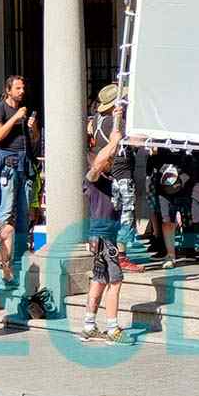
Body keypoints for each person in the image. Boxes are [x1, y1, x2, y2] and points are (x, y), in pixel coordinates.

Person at [79, 110, 131, 344]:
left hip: (104, 235)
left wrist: (117, 121)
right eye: (108, 160)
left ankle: (89, 324)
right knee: (115, 280)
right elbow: (100, 161)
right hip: (103, 237)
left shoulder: (109, 181)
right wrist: (113, 141)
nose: (111, 162)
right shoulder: (93, 179)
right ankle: (112, 328)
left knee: (99, 279)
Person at [0, 75, 39, 283]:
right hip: (9, 163)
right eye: (18, 88)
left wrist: (33, 127)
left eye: (23, 87)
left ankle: (18, 256)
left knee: (24, 211)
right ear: (8, 90)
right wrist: (15, 117)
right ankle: (2, 257)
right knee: (7, 211)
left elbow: (34, 139)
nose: (22, 91)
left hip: (25, 163)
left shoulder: (25, 110)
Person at [88, 84, 142, 273]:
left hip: (111, 172)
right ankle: (121, 255)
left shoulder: (96, 119)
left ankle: (112, 252)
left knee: (114, 212)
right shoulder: (113, 122)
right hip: (121, 171)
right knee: (126, 213)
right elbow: (135, 141)